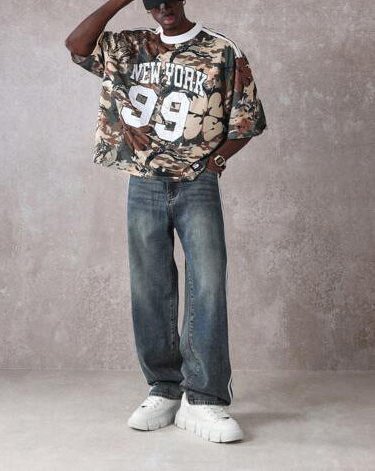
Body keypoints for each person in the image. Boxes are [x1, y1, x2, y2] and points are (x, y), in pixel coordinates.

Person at [65, 0, 267, 443]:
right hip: (143, 183)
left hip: (196, 182)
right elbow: (77, 45)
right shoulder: (130, 47)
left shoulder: (220, 49)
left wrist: (215, 161)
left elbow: (248, 118)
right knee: (150, 286)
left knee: (207, 284)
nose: (163, 7)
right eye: (152, 1)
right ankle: (164, 388)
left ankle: (205, 398)